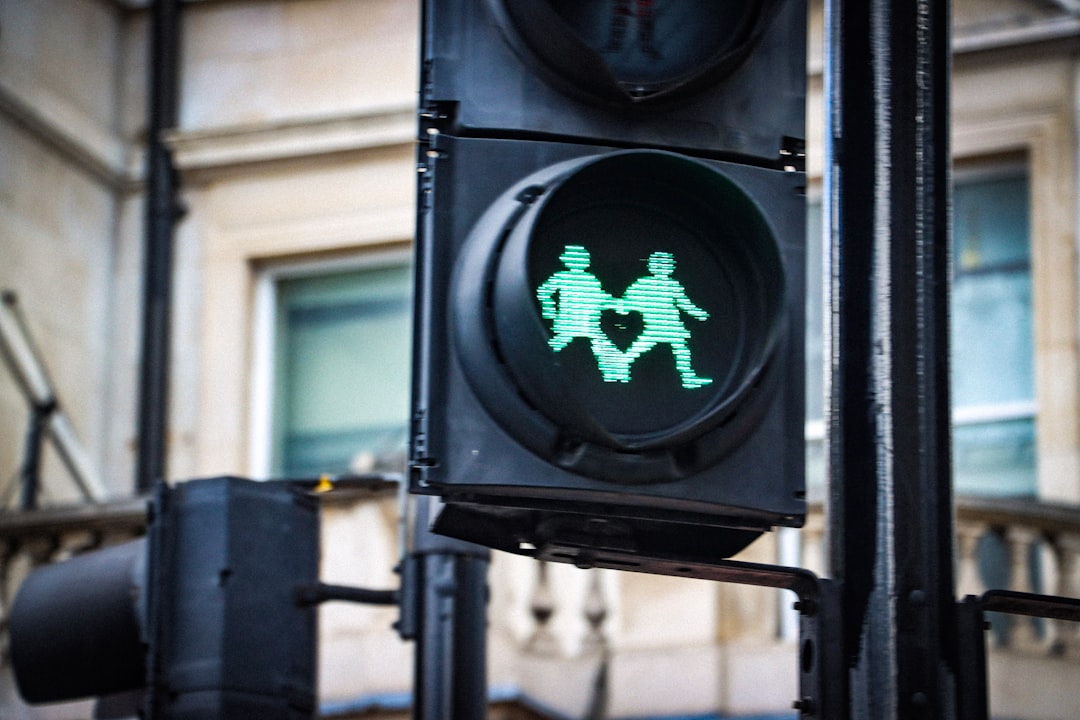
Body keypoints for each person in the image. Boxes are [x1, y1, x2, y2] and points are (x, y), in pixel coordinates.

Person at [619, 250, 712, 389]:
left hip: (671, 325)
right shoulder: (644, 283)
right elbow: (629, 300)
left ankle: (688, 377)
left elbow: (683, 302)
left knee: (680, 349)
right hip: (657, 325)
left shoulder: (670, 284)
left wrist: (697, 313)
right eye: (660, 265)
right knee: (641, 348)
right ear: (651, 266)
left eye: (667, 265)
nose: (664, 268)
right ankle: (620, 365)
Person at [536, 245, 628, 382]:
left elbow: (600, 298)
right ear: (566, 260)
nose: (581, 262)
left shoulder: (590, 279)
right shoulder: (562, 277)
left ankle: (616, 373)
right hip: (569, 322)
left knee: (602, 346)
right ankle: (537, 365)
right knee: (557, 344)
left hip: (588, 323)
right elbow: (544, 291)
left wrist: (615, 304)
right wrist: (549, 309)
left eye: (583, 259)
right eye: (576, 259)